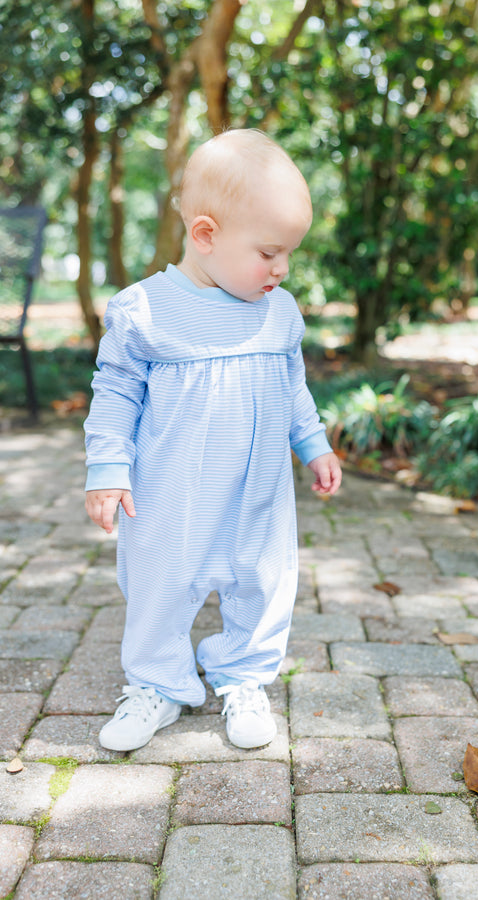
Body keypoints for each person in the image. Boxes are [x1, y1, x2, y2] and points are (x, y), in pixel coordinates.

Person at [84, 128, 342, 753]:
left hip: (258, 492)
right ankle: (157, 683)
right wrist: (107, 468)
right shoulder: (143, 311)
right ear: (206, 235)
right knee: (159, 583)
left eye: (288, 255)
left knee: (263, 580)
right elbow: (116, 392)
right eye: (269, 252)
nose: (281, 269)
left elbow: (291, 385)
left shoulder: (278, 311)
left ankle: (244, 675)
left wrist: (313, 441)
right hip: (170, 492)